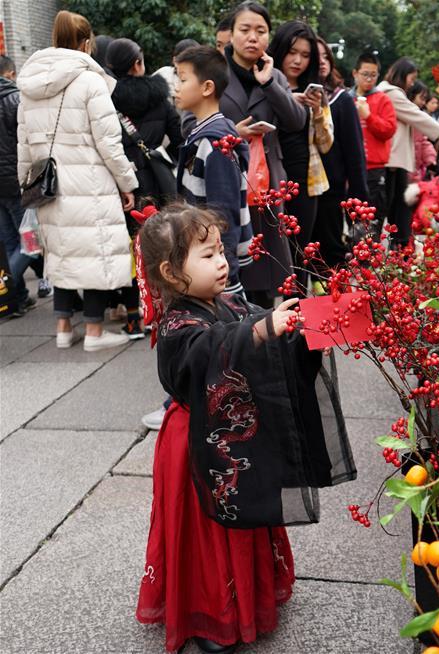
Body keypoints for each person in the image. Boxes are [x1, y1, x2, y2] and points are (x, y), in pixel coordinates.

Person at [134, 203, 356, 654]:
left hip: (231, 434)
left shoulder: (227, 301)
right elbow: (202, 353)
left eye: (220, 252)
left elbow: (257, 325)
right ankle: (208, 613)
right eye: (207, 255)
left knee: (246, 508)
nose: (222, 262)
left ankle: (247, 596)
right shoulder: (178, 323)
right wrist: (257, 333)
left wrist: (302, 329)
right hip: (194, 443)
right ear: (171, 273)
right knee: (204, 530)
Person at [17, 10, 137, 351]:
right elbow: (109, 143)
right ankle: (95, 334)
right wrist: (127, 182)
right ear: (86, 43)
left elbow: (23, 142)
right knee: (94, 251)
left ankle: (64, 329)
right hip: (90, 182)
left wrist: (26, 183)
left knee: (63, 253)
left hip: (49, 185)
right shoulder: (89, 81)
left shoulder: (29, 85)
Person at [183, 1, 307, 309]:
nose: (253, 37)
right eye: (245, 30)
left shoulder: (273, 74)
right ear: (232, 34)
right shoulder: (212, 68)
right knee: (228, 265)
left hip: (268, 183)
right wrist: (231, 133)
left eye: (261, 31)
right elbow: (187, 123)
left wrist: (270, 86)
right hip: (225, 182)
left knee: (269, 272)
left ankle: (265, 339)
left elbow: (296, 121)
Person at [107, 37, 184, 338]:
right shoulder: (159, 97)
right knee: (166, 243)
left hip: (124, 184)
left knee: (133, 248)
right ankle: (173, 306)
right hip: (159, 180)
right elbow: (178, 139)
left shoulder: (106, 99)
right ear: (138, 63)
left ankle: (136, 313)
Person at [174, 45, 250, 297]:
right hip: (205, 257)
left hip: (216, 267)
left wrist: (225, 269)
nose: (176, 86)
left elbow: (223, 213)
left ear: (207, 87)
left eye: (183, 79)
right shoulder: (203, 134)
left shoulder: (215, 144)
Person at [268, 21, 334, 293]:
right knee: (270, 254)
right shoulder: (266, 82)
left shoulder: (315, 90)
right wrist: (286, 101)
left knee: (299, 257)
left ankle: (297, 327)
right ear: (280, 49)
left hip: (306, 183)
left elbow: (326, 144)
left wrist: (317, 112)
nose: (297, 60)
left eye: (305, 55)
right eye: (292, 52)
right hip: (269, 179)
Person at [376, 57, 439, 248]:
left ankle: (399, 248)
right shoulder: (392, 93)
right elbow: (418, 117)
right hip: (393, 161)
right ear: (402, 75)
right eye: (411, 79)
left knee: (396, 209)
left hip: (394, 161)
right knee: (395, 210)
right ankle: (399, 249)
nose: (411, 83)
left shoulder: (385, 91)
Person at [311, 36, 367, 283]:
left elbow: (355, 155)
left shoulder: (340, 99)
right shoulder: (293, 96)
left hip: (332, 192)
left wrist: (359, 200)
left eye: (325, 57)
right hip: (299, 190)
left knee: (331, 257)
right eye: (316, 56)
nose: (321, 62)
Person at [0, 55, 40, 318]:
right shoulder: (15, 100)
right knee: (29, 242)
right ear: (11, 74)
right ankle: (8, 289)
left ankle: (20, 297)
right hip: (15, 181)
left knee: (9, 242)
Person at [351, 53, 396, 244]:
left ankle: (369, 263)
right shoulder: (346, 98)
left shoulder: (382, 99)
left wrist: (368, 117)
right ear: (355, 73)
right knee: (353, 217)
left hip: (375, 169)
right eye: (365, 74)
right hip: (352, 168)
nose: (369, 79)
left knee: (373, 218)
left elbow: (389, 130)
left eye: (374, 75)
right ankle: (355, 257)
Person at [152, 38, 200, 112]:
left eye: (193, 60)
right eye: (185, 60)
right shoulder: (163, 74)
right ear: (174, 60)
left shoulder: (202, 80)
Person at [407, 80, 436, 184]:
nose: (423, 103)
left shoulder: (419, 116)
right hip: (406, 169)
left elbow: (423, 141)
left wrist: (431, 159)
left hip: (416, 169)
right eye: (422, 98)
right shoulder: (405, 116)